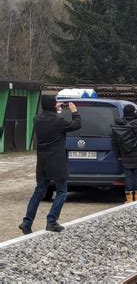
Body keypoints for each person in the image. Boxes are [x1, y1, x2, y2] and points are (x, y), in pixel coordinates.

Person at [19, 95, 81, 234]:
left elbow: (47, 116)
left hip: (42, 161)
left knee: (39, 191)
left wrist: (53, 109)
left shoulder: (37, 119)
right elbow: (77, 124)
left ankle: (27, 221)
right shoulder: (58, 121)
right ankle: (51, 221)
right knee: (62, 191)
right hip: (57, 161)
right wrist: (74, 112)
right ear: (53, 105)